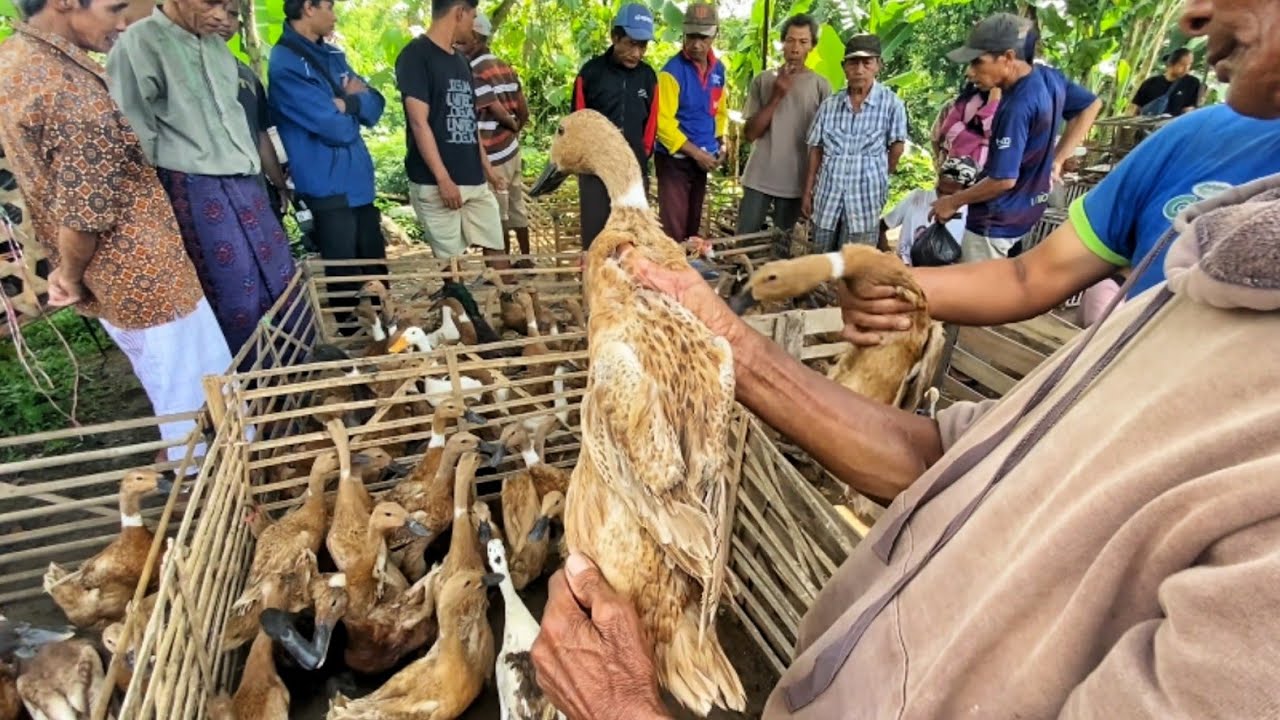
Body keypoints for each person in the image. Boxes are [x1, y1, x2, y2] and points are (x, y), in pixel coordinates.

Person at [532, 0, 1280, 714]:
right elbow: (992, 431)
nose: (1192, 14)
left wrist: (620, 708)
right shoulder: (1211, 193)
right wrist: (810, 294)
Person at [0, 0, 231, 460]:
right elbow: (86, 215)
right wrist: (68, 271)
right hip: (145, 275)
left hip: (114, 281)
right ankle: (207, 489)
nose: (124, 22)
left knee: (167, 381)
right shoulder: (69, 93)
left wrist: (73, 273)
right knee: (199, 393)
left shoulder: (15, 62)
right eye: (115, 8)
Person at [846, 101, 1280, 335]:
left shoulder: (1026, 108)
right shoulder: (1197, 137)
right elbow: (1027, 277)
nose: (1195, 14)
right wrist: (890, 284)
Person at [106, 0, 295, 357]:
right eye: (212, 3)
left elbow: (239, 119)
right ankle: (256, 394)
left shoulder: (216, 47)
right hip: (195, 188)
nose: (221, 16)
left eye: (229, 6)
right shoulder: (140, 43)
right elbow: (133, 135)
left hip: (245, 181)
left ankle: (303, 373)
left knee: (283, 281)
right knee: (237, 296)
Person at [939, 13, 1102, 263]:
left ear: (1008, 58)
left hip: (995, 223)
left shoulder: (1015, 107)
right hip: (1027, 212)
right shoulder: (1049, 78)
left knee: (976, 298)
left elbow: (1003, 180)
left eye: (977, 62)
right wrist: (1058, 159)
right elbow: (1091, 105)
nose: (970, 72)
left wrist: (953, 201)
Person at [268, 0, 387, 328]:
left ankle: (387, 334)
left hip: (359, 183)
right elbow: (334, 128)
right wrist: (352, 111)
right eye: (330, 6)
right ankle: (352, 347)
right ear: (309, 7)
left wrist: (347, 102)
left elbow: (376, 104)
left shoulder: (334, 56)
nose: (335, 15)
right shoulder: (286, 64)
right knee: (345, 281)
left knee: (376, 268)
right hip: (327, 184)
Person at [394, 0, 509, 269]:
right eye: (473, 16)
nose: (474, 24)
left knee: (496, 245)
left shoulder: (460, 61)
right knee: (451, 265)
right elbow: (419, 122)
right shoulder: (415, 56)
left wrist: (488, 168)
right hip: (435, 182)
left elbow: (469, 120)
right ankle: (457, 308)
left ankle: (510, 306)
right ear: (459, 13)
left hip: (472, 176)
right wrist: (443, 179)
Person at [803, 34, 908, 251]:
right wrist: (808, 190)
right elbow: (816, 148)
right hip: (827, 198)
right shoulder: (830, 105)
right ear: (844, 67)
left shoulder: (892, 105)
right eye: (853, 63)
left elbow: (896, 148)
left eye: (866, 62)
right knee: (821, 261)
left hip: (865, 201)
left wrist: (878, 175)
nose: (859, 70)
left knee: (855, 268)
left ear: (878, 65)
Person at [570, 3, 659, 249]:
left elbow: (651, 126)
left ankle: (631, 284)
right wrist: (588, 162)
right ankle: (594, 282)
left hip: (633, 173)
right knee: (596, 236)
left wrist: (639, 159)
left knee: (633, 235)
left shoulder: (648, 77)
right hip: (595, 173)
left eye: (643, 46)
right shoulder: (590, 74)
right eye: (631, 43)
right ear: (615, 37)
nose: (637, 53)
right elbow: (577, 123)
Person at [736, 14, 831, 235]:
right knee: (743, 242)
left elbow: (824, 143)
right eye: (790, 40)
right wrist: (777, 95)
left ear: (812, 46)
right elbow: (750, 134)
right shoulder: (763, 80)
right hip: (759, 177)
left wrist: (813, 185)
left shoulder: (821, 86)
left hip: (795, 182)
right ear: (782, 43)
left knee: (782, 247)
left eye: (803, 41)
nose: (795, 48)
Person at [654, 1, 729, 243]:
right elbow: (662, 124)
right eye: (691, 36)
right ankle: (671, 274)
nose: (696, 44)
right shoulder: (671, 72)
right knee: (674, 229)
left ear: (714, 34)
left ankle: (687, 273)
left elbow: (719, 110)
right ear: (684, 33)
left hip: (703, 159)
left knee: (692, 228)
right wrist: (697, 153)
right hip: (675, 161)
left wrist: (722, 140)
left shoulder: (719, 70)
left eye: (703, 37)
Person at [462, 13, 532, 261]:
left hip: (492, 154)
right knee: (517, 206)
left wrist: (509, 125)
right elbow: (523, 110)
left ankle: (502, 267)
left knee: (495, 214)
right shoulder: (504, 66)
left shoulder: (473, 70)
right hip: (511, 151)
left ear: (476, 38)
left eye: (463, 39)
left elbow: (495, 109)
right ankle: (526, 258)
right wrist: (514, 132)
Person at [219, 1, 289, 223]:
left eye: (232, 16)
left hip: (254, 184)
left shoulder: (247, 74)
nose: (224, 21)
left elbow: (261, 135)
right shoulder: (181, 68)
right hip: (215, 189)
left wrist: (279, 184)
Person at [880, 156, 978, 266]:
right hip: (909, 269)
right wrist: (889, 256)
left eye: (951, 194)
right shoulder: (917, 197)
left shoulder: (972, 212)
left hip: (950, 274)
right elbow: (883, 226)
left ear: (967, 189)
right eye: (941, 191)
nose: (944, 199)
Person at [931, 82, 1001, 169]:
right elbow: (936, 138)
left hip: (987, 172)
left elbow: (935, 138)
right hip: (956, 168)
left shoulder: (1012, 106)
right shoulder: (955, 104)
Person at [1128, 47, 1202, 116]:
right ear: (1170, 63)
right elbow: (1136, 108)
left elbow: (1193, 107)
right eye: (1182, 64)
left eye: (1189, 64)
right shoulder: (1150, 83)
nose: (1186, 68)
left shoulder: (1192, 83)